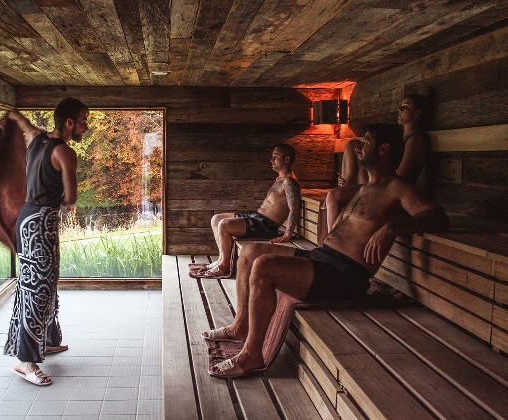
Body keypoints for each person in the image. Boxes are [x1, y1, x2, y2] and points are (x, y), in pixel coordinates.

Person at [204, 123, 449, 378]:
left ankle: (252, 355)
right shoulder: (365, 188)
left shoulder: (399, 189)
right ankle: (239, 327)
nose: (358, 148)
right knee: (251, 252)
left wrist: (392, 228)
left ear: (384, 149)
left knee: (264, 267)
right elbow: (333, 199)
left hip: (344, 275)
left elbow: (438, 217)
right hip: (322, 259)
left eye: (366, 143)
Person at [3, 97, 89, 386]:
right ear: (69, 123)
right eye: (83, 121)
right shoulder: (65, 153)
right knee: (39, 288)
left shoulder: (37, 138)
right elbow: (71, 198)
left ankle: (47, 340)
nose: (85, 127)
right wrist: (57, 197)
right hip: (41, 223)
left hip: (26, 218)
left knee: (42, 282)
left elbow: (24, 124)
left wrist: (13, 114)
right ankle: (24, 361)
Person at [191, 144, 301, 278]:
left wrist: (288, 233)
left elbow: (294, 207)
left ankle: (224, 266)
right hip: (257, 217)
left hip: (266, 225)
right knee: (216, 219)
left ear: (287, 159)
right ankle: (221, 259)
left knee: (224, 225)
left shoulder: (290, 182)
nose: (271, 160)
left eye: (276, 156)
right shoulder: (280, 179)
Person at [326, 94, 430, 232]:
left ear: (417, 113)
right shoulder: (400, 136)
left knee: (336, 194)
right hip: (376, 181)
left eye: (405, 107)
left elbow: (401, 174)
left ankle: (331, 237)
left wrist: (375, 171)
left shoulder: (415, 139)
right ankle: (345, 183)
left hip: (387, 187)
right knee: (353, 145)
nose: (400, 109)